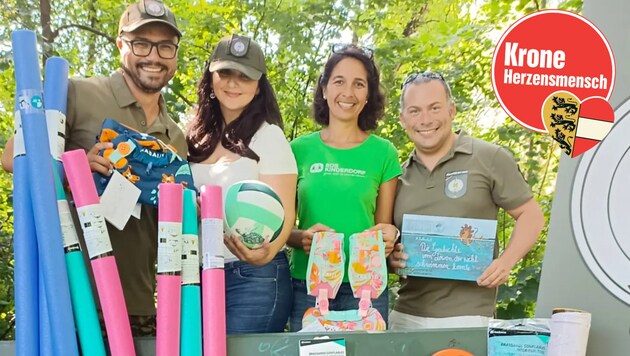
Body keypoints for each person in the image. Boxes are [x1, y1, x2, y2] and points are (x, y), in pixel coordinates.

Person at [2, 0, 185, 336]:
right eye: (141, 43)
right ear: (121, 46)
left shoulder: (175, 135)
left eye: (165, 46)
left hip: (141, 305)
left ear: (175, 54)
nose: (154, 56)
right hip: (72, 300)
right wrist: (73, 171)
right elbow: (13, 156)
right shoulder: (76, 93)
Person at [388, 71, 545, 330]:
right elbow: (386, 242)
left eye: (434, 108)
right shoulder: (396, 176)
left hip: (469, 317)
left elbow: (532, 216)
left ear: (452, 110)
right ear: (403, 119)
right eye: (415, 111)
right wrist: (392, 260)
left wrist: (505, 263)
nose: (425, 119)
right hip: (406, 315)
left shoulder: (489, 157)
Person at [186, 34, 297, 334]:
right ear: (210, 76)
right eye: (225, 73)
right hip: (196, 276)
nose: (233, 83)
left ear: (259, 85)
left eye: (244, 76)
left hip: (252, 276)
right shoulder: (193, 138)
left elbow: (285, 214)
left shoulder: (269, 137)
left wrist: (267, 252)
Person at [287, 44, 402, 331]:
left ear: (368, 95)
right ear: (324, 89)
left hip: (367, 288)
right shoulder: (298, 149)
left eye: (358, 84)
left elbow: (383, 227)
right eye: (339, 81)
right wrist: (300, 237)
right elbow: (282, 229)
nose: (348, 92)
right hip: (310, 284)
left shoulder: (383, 152)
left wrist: (389, 236)